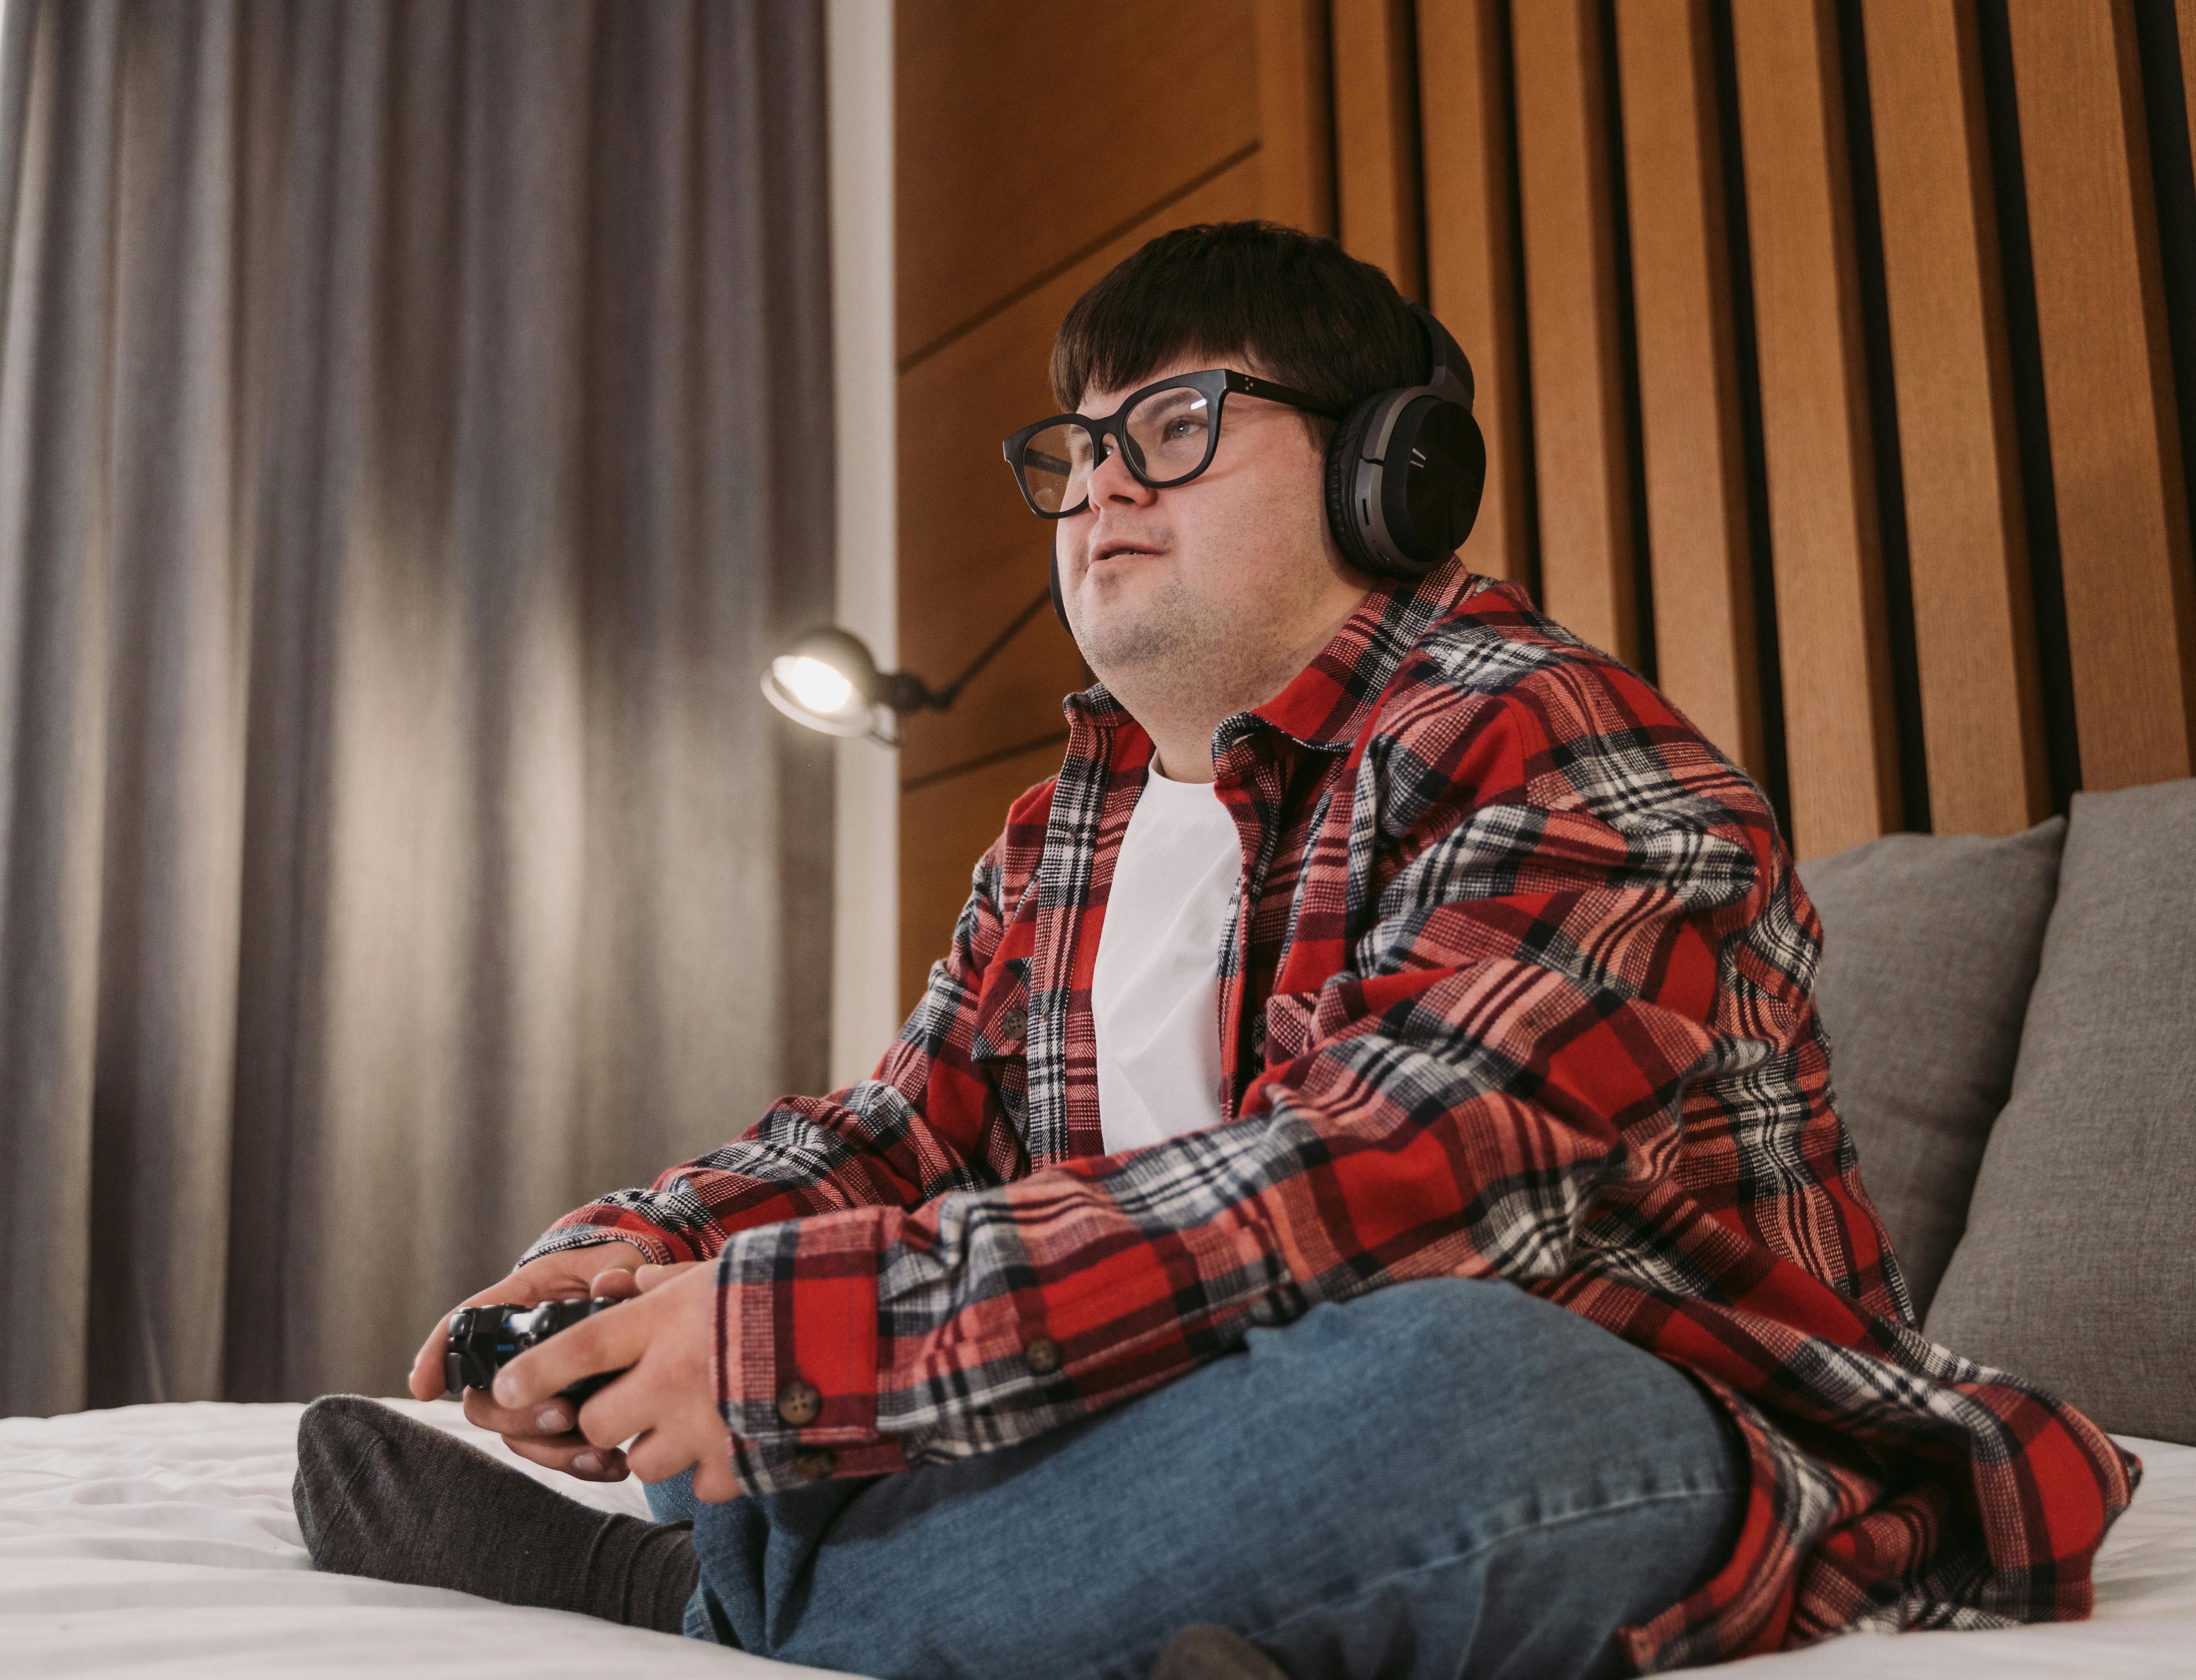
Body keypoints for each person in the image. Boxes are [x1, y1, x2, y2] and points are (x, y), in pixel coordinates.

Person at [292, 221, 2134, 1680]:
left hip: (1642, 1415)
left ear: (1386, 475)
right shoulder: (1065, 828)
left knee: (1444, 1391)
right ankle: (1174, 1634)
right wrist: (657, 1250)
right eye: (1074, 447)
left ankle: (684, 1586)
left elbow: (1380, 1190)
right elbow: (905, 1133)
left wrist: (776, 1359)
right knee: (955, 1329)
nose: (1096, 485)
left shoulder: (1565, 745)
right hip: (1212, 1404)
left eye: (1171, 426)